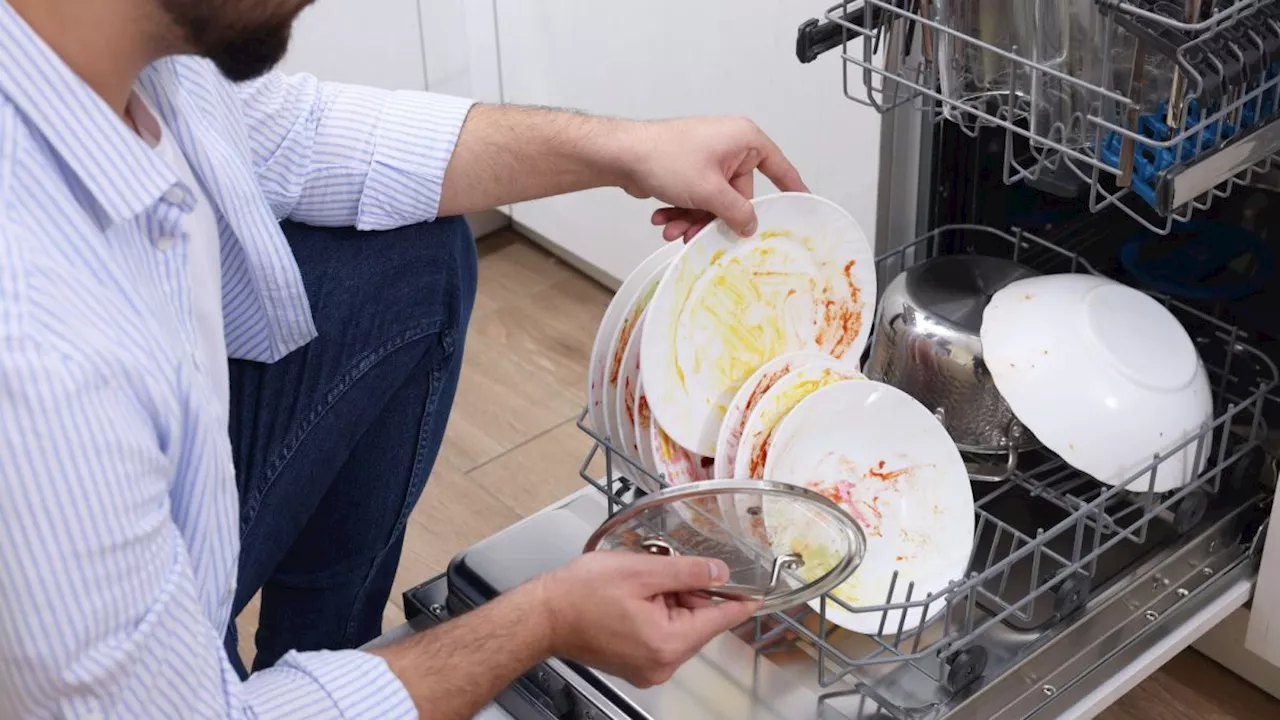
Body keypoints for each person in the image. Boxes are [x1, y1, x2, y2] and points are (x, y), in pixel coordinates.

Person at [0, 0, 808, 718]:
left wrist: (626, 150)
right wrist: (541, 620)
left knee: (413, 258)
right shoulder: (39, 352)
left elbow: (301, 136)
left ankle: (329, 656)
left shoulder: (104, 51)